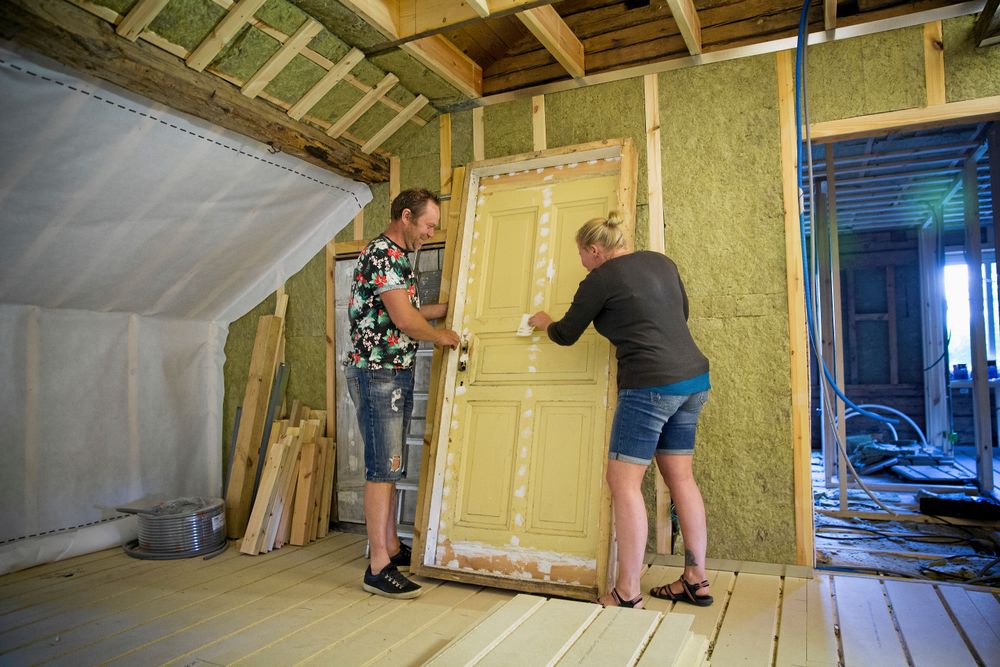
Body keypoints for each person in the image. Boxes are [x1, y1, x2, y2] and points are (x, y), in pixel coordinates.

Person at [529, 213, 713, 609]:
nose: (582, 263)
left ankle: (627, 592)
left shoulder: (601, 278)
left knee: (623, 482)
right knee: (681, 478)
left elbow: (566, 333)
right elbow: (680, 315)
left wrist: (544, 322)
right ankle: (696, 579)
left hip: (649, 385)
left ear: (595, 250)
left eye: (581, 255)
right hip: (694, 379)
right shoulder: (662, 262)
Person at [345, 188, 460, 599]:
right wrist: (441, 336)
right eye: (428, 225)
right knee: (382, 469)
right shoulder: (382, 254)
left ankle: (391, 547)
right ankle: (378, 567)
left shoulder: (397, 258)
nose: (430, 233)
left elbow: (402, 312)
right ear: (406, 216)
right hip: (377, 374)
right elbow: (404, 320)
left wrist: (448, 308)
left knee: (391, 466)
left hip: (393, 373)